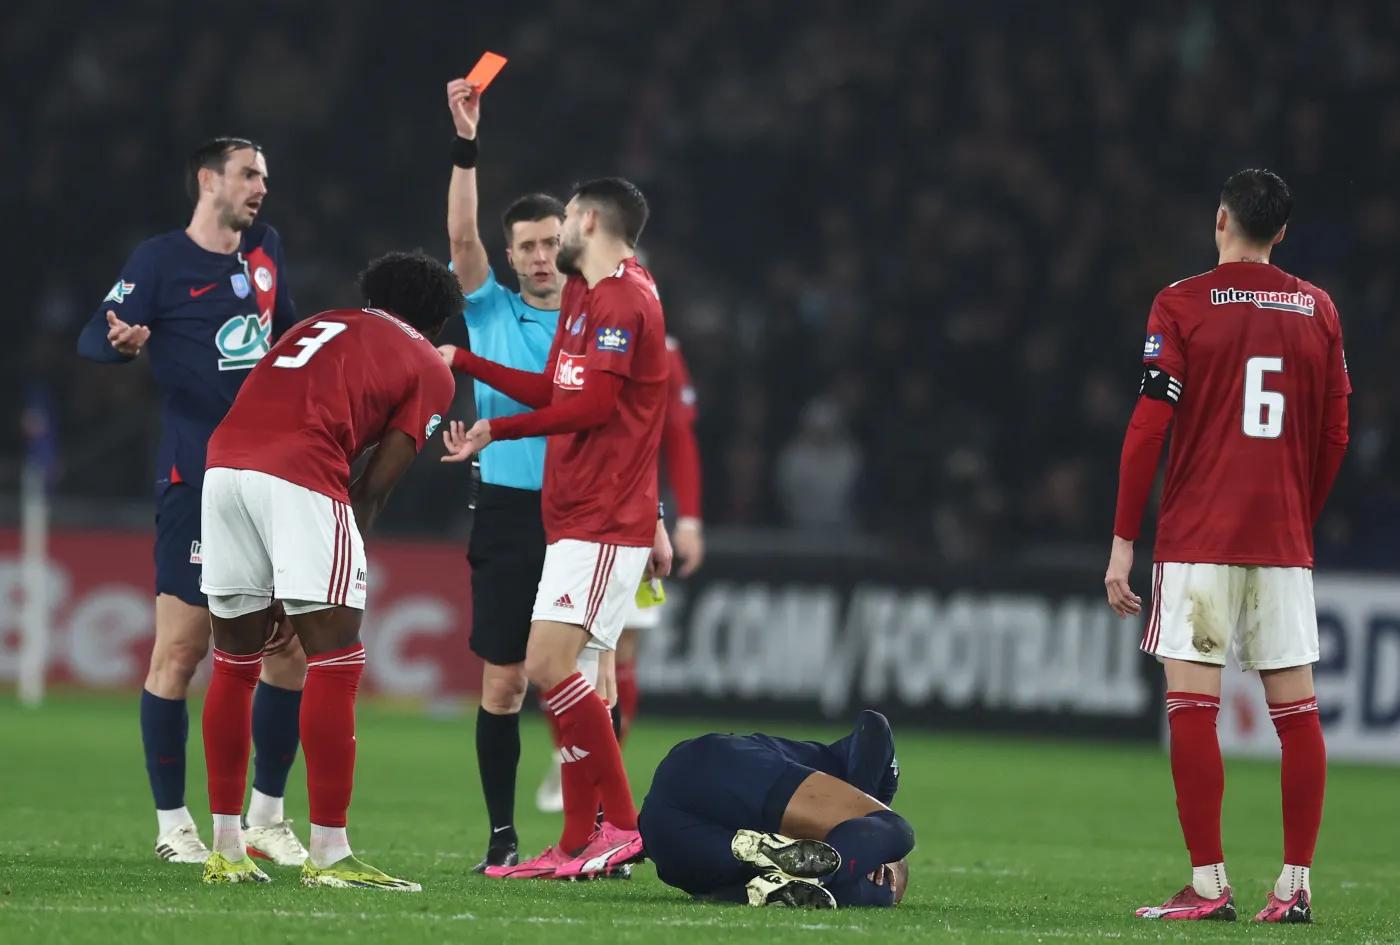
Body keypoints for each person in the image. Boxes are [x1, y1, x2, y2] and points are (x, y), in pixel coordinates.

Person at [1105, 169, 1348, 924]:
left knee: (1192, 708)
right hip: (1281, 540)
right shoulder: (1317, 307)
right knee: (1297, 713)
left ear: (1220, 221)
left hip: (1199, 536)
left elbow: (1150, 424)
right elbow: (1337, 432)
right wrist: (1296, 515)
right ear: (1280, 232)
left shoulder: (1181, 302)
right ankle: (1295, 884)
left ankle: (1209, 886)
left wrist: (1122, 540)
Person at [76, 138, 307, 865]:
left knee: (289, 647)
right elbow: (93, 335)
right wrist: (121, 341)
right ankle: (173, 822)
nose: (260, 187)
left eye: (265, 176)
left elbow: (292, 339)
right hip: (197, 479)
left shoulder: (266, 250)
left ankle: (267, 815)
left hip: (272, 475)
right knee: (182, 648)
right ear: (209, 181)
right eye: (248, 174)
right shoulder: (158, 261)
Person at [195, 251, 459, 889]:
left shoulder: (319, 322)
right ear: (437, 320)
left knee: (233, 662)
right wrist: (321, 573)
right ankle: (331, 855)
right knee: (335, 660)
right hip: (301, 472)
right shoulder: (428, 363)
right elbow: (373, 488)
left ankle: (226, 848)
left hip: (223, 465)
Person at [441, 177, 672, 880]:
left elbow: (596, 406)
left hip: (604, 516)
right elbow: (559, 389)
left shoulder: (626, 299)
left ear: (591, 221)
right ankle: (576, 840)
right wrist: (468, 365)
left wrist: (498, 428)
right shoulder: (589, 295)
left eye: (565, 221)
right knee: (562, 672)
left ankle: (622, 827)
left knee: (549, 669)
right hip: (572, 514)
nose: (556, 236)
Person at [431, 78, 567, 873]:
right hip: (513, 512)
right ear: (510, 256)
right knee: (506, 681)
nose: (542, 257)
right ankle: (503, 834)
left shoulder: (597, 315)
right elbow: (458, 232)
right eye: (529, 247)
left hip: (585, 510)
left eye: (552, 243)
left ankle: (593, 832)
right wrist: (466, 144)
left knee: (588, 681)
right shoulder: (489, 310)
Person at [537, 332, 704, 812]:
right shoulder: (568, 339)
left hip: (633, 517)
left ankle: (603, 779)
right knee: (554, 652)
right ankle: (569, 754)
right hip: (569, 513)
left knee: (617, 648)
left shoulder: (662, 351)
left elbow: (677, 434)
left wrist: (684, 519)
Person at [640, 710, 911, 909]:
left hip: (672, 842)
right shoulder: (868, 793)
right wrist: (863, 812)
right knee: (898, 831)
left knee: (873, 897)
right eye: (885, 872)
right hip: (718, 770)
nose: (875, 873)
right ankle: (821, 873)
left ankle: (797, 878)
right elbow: (874, 725)